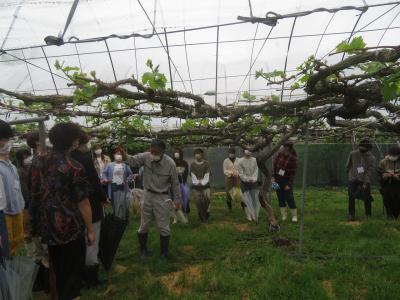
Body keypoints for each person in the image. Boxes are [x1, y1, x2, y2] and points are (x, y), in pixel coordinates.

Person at [30, 122, 95, 300]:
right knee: (72, 274)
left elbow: (34, 193)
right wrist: (90, 230)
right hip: (70, 229)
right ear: (73, 142)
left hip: (47, 226)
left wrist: (33, 225)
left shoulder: (38, 162)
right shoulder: (74, 166)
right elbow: (83, 202)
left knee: (55, 269)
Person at [126, 139, 181, 260]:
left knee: (163, 226)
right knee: (144, 224)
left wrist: (177, 200)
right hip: (147, 194)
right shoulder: (146, 157)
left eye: (157, 152)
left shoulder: (170, 163)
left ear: (163, 152)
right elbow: (133, 160)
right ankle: (143, 250)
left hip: (162, 196)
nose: (153, 154)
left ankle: (164, 253)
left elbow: (175, 183)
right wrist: (124, 154)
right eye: (152, 151)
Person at [72, 132, 107, 287]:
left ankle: (77, 274)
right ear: (80, 143)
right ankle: (91, 277)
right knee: (92, 238)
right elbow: (94, 182)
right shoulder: (85, 159)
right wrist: (103, 197)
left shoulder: (64, 159)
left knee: (77, 240)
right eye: (87, 142)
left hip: (70, 208)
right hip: (89, 204)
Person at [0, 121, 25, 257]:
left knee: (15, 245)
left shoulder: (12, 166)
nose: (6, 143)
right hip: (4, 214)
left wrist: (21, 205)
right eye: (3, 139)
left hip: (17, 210)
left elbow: (17, 188)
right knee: (6, 247)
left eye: (7, 139)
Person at [346, 139, 376, 221]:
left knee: (367, 197)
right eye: (361, 149)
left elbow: (369, 172)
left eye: (364, 150)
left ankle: (368, 215)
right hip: (353, 179)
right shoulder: (353, 154)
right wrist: (350, 176)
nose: (362, 151)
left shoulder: (372, 158)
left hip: (365, 180)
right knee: (351, 197)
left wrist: (365, 183)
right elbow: (348, 165)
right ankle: (351, 215)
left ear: (369, 149)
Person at [102, 149, 133, 221]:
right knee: (115, 203)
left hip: (123, 186)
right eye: (117, 154)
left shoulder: (125, 165)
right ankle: (117, 218)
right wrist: (106, 179)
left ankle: (125, 219)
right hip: (113, 186)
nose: (118, 155)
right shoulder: (110, 165)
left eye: (120, 154)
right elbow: (104, 173)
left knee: (124, 202)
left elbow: (131, 174)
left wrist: (127, 181)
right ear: (114, 155)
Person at [272, 141, 299, 223]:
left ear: (287, 147)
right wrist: (273, 177)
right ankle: (284, 215)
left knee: (289, 197)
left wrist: (289, 184)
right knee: (280, 197)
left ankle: (294, 216)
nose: (281, 148)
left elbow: (293, 173)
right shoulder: (279, 155)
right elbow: (274, 166)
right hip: (277, 179)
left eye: (282, 146)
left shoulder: (293, 159)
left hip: (286, 180)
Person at [238, 148, 260, 223]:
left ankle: (254, 214)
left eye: (250, 150)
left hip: (253, 182)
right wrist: (246, 179)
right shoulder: (240, 161)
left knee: (254, 198)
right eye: (246, 150)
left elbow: (256, 170)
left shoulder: (254, 160)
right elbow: (240, 172)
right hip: (244, 183)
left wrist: (253, 178)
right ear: (244, 151)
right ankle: (248, 215)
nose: (248, 152)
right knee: (245, 199)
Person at [378, 146, 400, 219]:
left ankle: (396, 215)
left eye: (395, 155)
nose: (393, 157)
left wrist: (398, 177)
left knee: (397, 200)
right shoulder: (383, 162)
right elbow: (379, 173)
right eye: (391, 155)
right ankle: (389, 215)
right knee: (387, 199)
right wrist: (384, 176)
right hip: (387, 184)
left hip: (398, 184)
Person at [190, 149, 211, 222]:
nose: (197, 155)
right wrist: (197, 182)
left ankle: (206, 214)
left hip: (206, 185)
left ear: (202, 154)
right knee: (198, 201)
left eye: (198, 153)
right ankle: (201, 215)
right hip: (195, 186)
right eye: (195, 153)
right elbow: (192, 175)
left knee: (207, 199)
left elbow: (207, 174)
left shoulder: (206, 163)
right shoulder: (192, 164)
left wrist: (202, 182)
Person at [173, 148, 190, 216]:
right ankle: (176, 213)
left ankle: (185, 210)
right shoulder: (172, 162)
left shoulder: (184, 163)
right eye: (175, 152)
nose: (176, 154)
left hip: (182, 183)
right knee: (175, 198)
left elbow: (186, 173)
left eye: (178, 152)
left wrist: (182, 176)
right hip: (174, 184)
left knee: (185, 196)